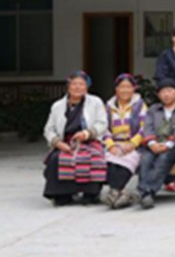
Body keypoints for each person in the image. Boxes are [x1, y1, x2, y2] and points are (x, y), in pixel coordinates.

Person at [42, 71, 108, 206]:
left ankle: (90, 194)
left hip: (89, 140)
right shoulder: (57, 106)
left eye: (81, 84)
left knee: (93, 158)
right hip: (65, 142)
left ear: (86, 87)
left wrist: (87, 134)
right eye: (74, 84)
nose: (78, 87)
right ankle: (62, 194)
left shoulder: (95, 102)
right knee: (56, 159)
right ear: (68, 86)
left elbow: (102, 123)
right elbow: (48, 129)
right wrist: (58, 143)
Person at [103, 74, 147, 209]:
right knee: (111, 160)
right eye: (121, 87)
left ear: (134, 89)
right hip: (114, 143)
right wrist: (110, 145)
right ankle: (122, 194)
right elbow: (103, 128)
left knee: (128, 159)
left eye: (128, 87)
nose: (125, 90)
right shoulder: (108, 107)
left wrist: (132, 144)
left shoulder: (140, 105)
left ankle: (114, 192)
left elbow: (144, 128)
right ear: (116, 89)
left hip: (133, 144)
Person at [138, 78, 175, 209]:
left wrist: (168, 144)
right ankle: (146, 194)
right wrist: (152, 143)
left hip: (174, 146)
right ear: (158, 95)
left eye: (169, 91)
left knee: (163, 158)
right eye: (162, 92)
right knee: (146, 159)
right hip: (154, 144)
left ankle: (146, 192)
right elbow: (148, 127)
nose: (166, 94)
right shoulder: (153, 109)